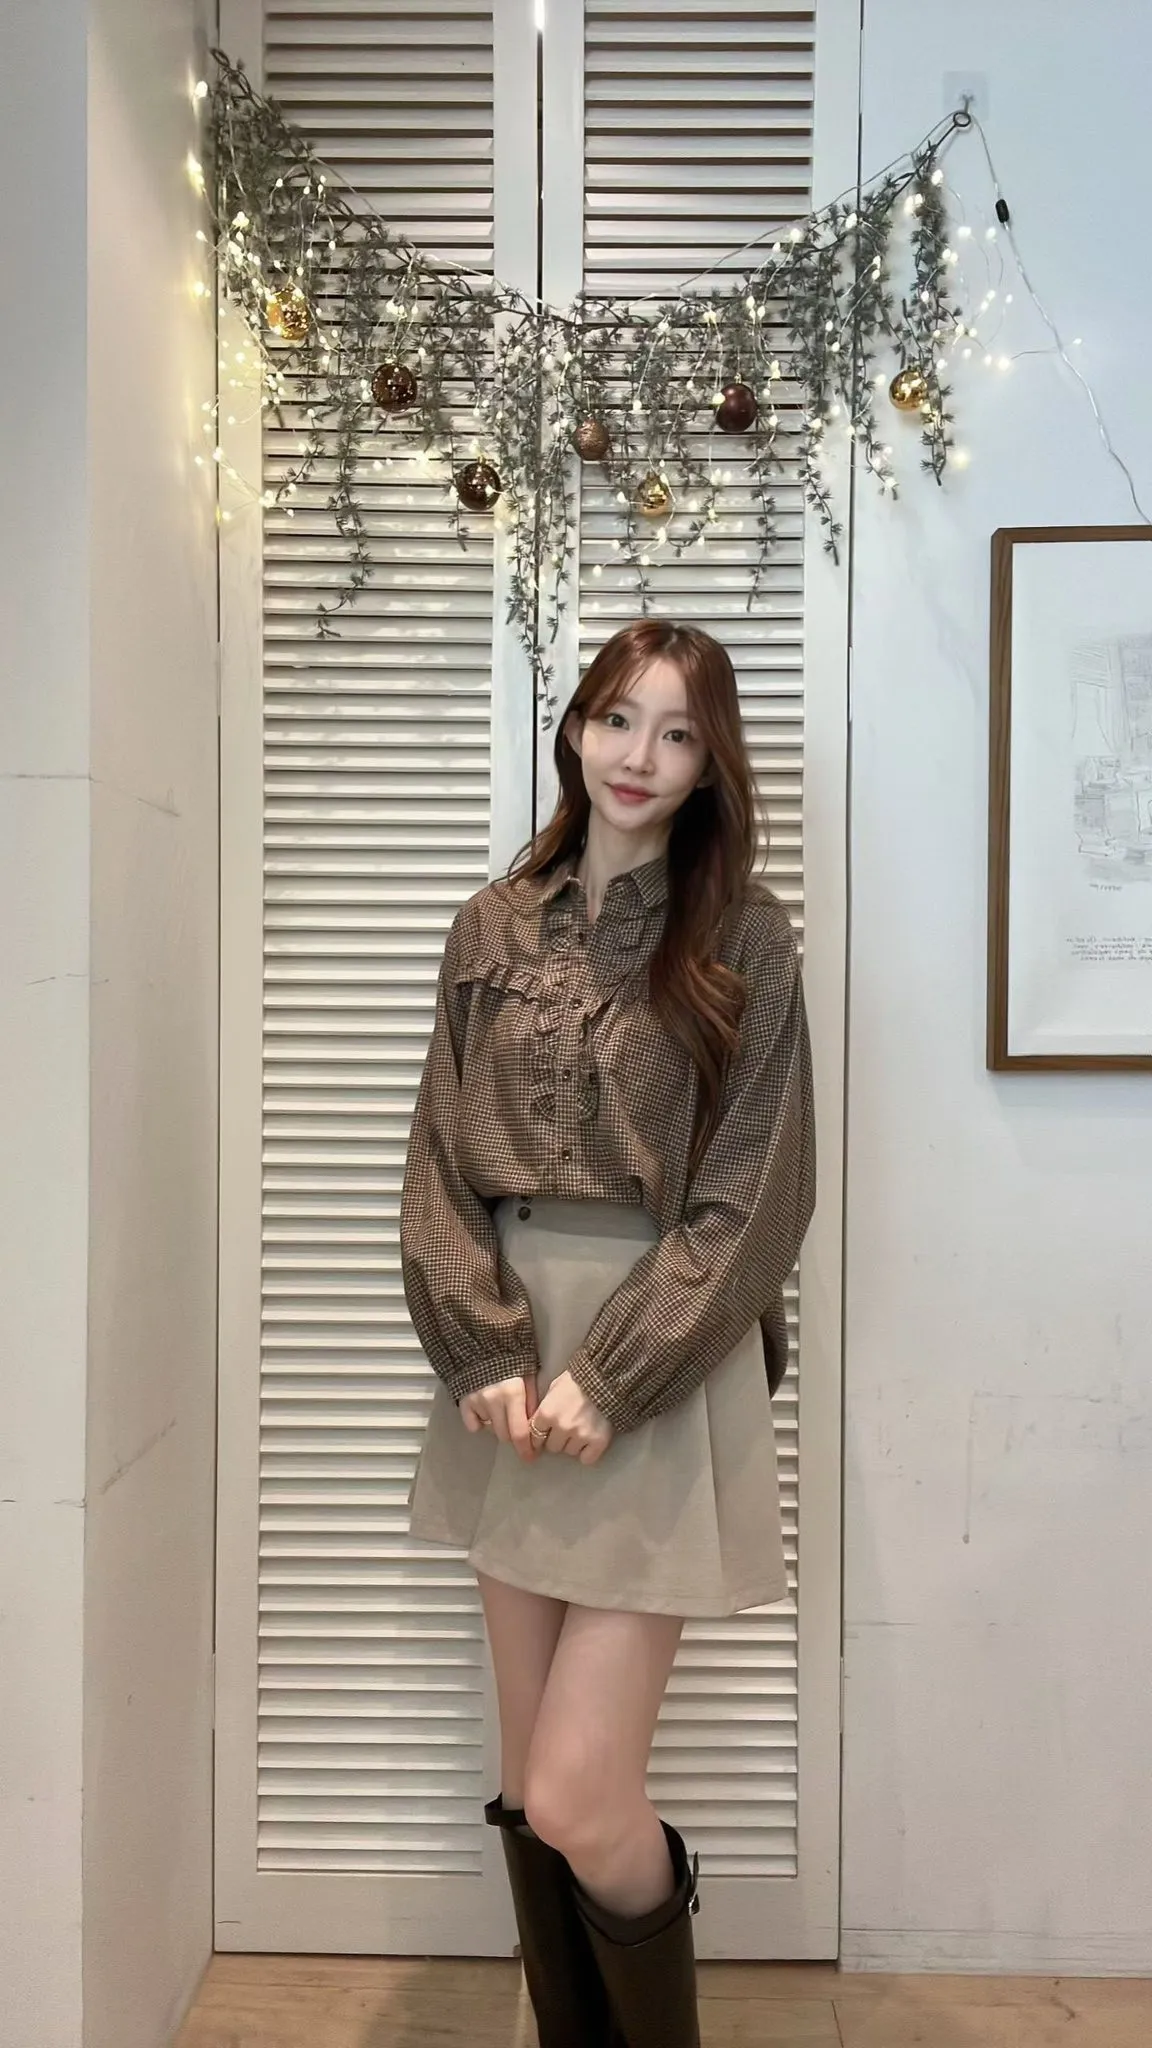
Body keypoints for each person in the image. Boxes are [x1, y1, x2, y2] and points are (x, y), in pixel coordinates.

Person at [399, 619, 817, 2048]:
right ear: (575, 729)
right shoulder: (491, 925)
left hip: (659, 1349)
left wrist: (616, 1374)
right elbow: (437, 1161)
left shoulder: (747, 936)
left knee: (584, 1793)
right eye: (619, 719)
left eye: (679, 732)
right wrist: (482, 1346)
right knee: (532, 1784)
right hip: (507, 1357)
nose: (641, 756)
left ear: (712, 764)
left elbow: (757, 1193)